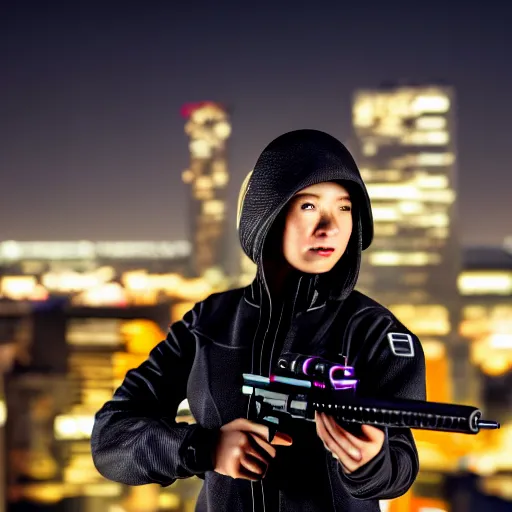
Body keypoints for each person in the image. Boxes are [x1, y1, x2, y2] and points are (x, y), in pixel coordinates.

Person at [91, 129, 427, 511]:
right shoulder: (209, 323)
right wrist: (205, 448)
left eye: (345, 208)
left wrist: (372, 463)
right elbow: (111, 439)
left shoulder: (376, 333)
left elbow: (402, 462)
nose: (330, 227)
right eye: (308, 206)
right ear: (268, 212)